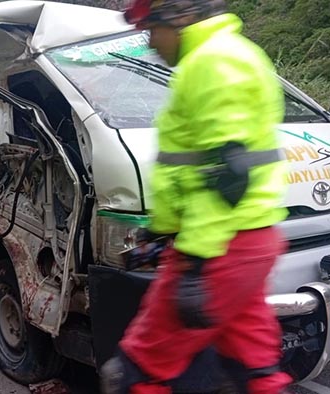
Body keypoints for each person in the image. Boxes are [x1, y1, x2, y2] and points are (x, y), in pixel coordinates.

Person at [101, 1, 290, 393]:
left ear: (181, 17)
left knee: (137, 372)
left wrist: (197, 265)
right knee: (255, 370)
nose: (150, 43)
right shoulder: (227, 54)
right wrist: (160, 231)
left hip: (219, 248)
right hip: (246, 241)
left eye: (151, 29)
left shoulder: (212, 62)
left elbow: (227, 175)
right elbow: (197, 166)